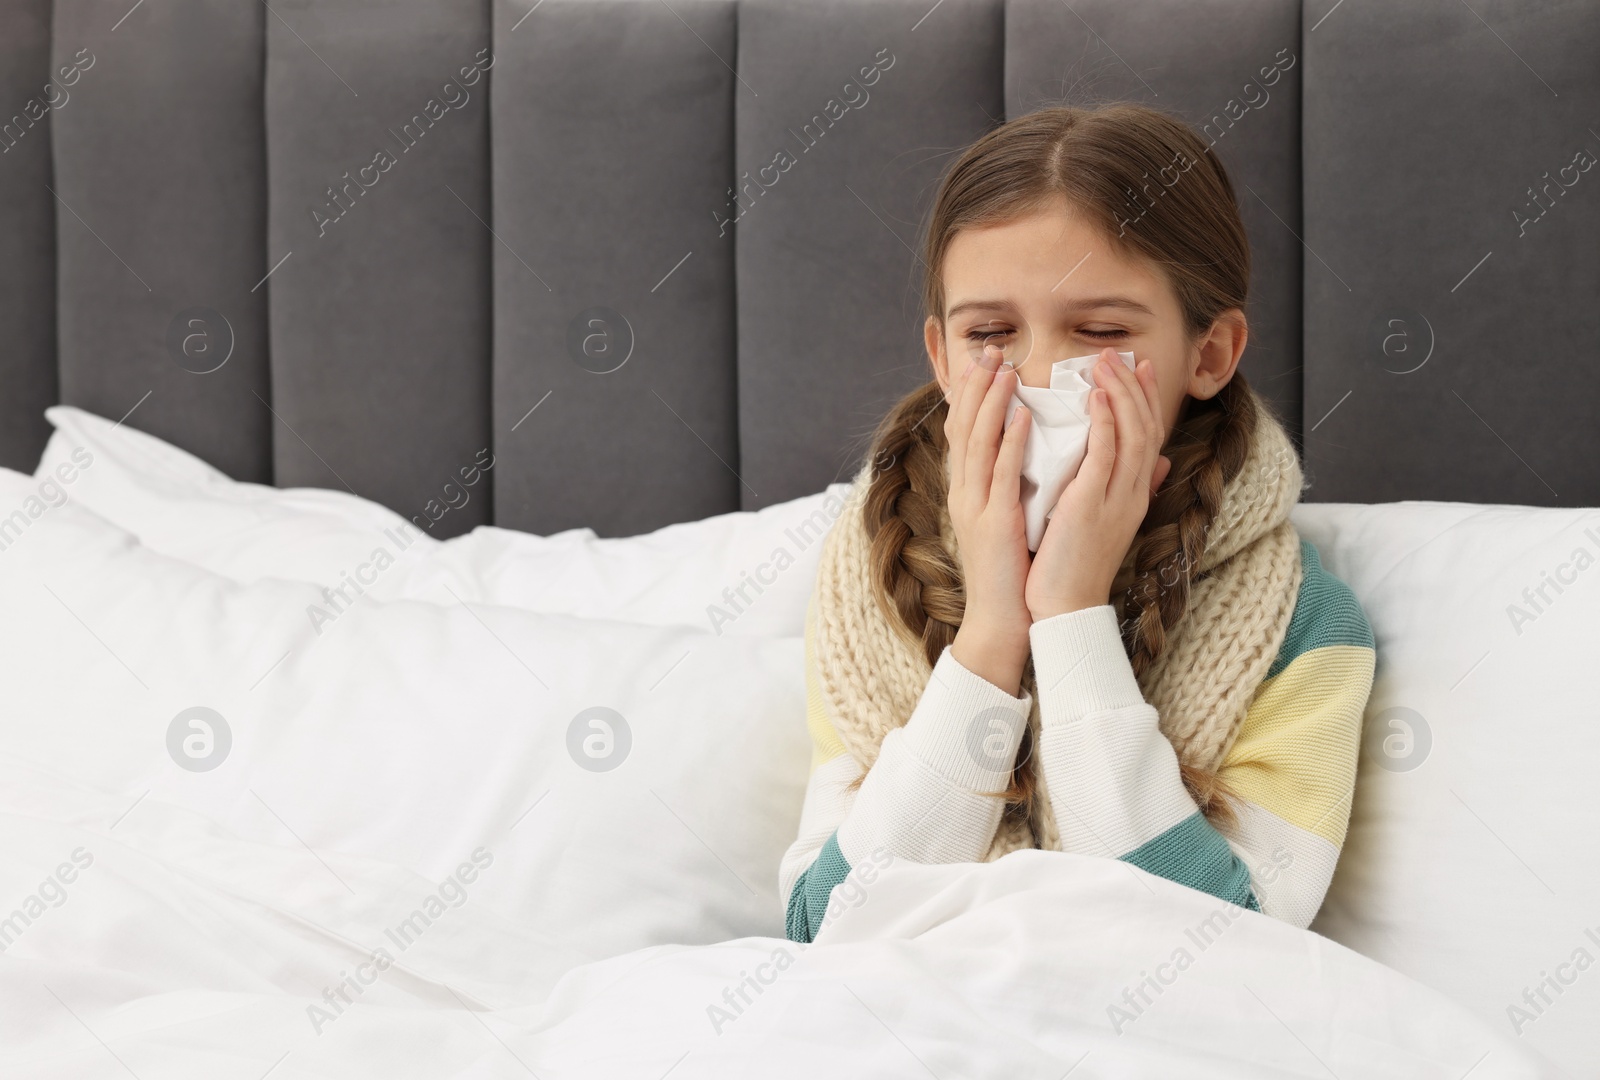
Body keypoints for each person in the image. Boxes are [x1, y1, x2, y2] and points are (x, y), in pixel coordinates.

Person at [780, 102, 1376, 944]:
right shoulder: (866, 583)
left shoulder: (1304, 626)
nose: (1042, 372)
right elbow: (825, 925)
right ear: (944, 361)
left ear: (1207, 356)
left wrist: (1069, 618)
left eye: (1098, 332)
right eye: (990, 333)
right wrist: (990, 635)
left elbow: (1232, 946)